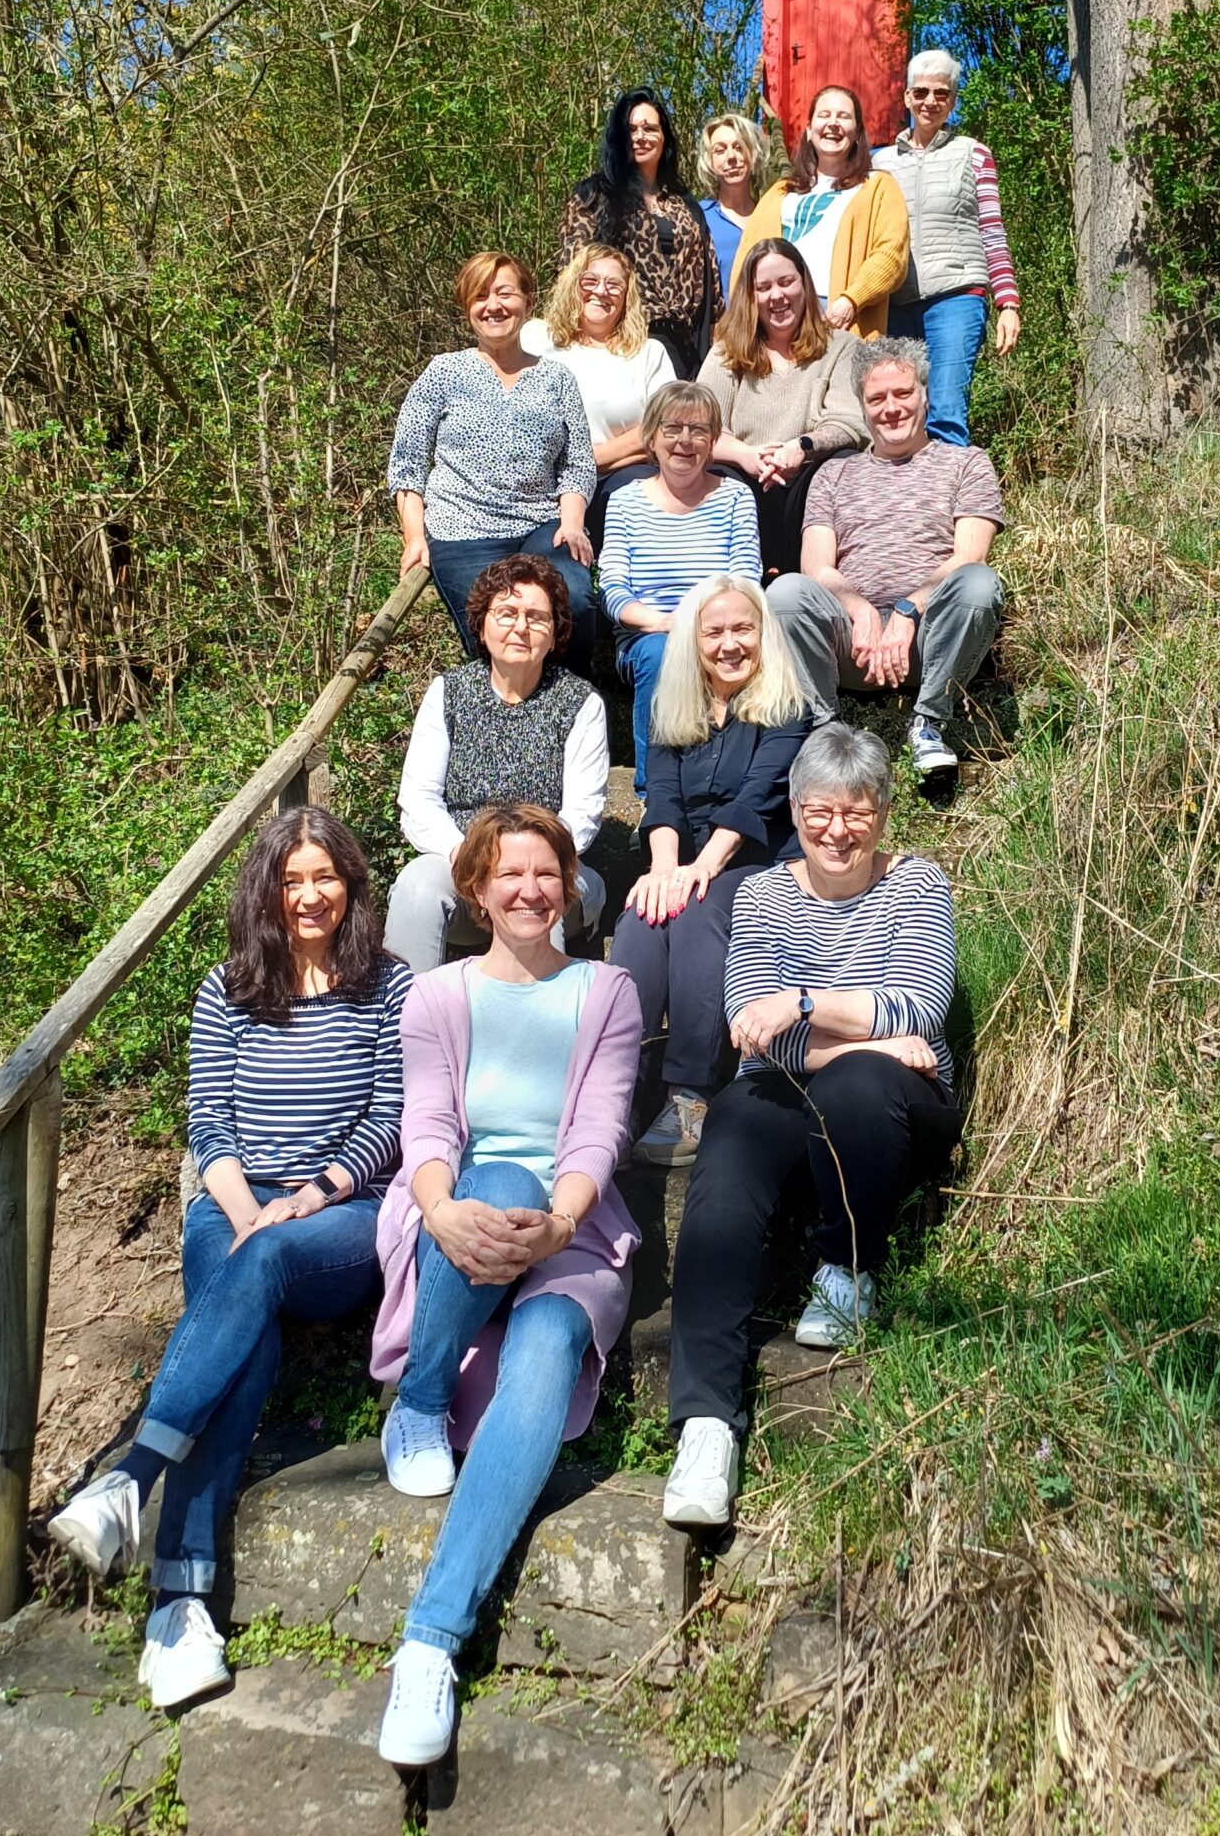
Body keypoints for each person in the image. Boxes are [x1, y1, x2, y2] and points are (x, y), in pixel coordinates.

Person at [48, 809, 407, 1709]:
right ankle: (180, 1614)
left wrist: (308, 1197)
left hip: (340, 1217)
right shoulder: (229, 987)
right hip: (234, 1209)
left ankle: (130, 1483)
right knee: (244, 1335)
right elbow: (208, 1120)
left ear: (351, 885)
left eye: (325, 877)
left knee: (264, 1265)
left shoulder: (389, 984)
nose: (310, 895)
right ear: (267, 893)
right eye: (292, 881)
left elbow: (392, 1117)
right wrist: (247, 1211)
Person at [369, 804, 641, 1765]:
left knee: (547, 1348)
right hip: (456, 1214)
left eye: (547, 873)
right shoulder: (437, 996)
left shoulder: (607, 990)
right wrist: (441, 1210)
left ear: (570, 887)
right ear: (476, 892)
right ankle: (422, 1400)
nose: (530, 890)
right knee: (498, 1184)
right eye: (509, 874)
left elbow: (600, 1129)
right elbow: (428, 1128)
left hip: (571, 1226)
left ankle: (430, 1642)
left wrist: (558, 1225)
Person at [660, 727, 961, 1530]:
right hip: (785, 1091)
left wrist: (804, 1005)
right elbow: (749, 1028)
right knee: (725, 1159)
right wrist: (875, 1038)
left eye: (857, 812)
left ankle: (845, 1270)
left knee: (858, 1085)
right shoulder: (763, 894)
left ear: (884, 814)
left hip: (895, 1110)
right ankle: (705, 1425)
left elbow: (918, 1007)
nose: (837, 829)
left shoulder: (917, 883)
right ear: (795, 811)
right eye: (820, 811)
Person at [611, 576, 813, 1166]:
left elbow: (756, 799)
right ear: (694, 641)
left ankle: (689, 1093)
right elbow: (663, 797)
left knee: (699, 910)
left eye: (743, 629)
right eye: (714, 632)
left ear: (763, 634)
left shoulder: (787, 706)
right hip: (688, 857)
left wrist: (698, 869)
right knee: (641, 918)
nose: (729, 644)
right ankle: (616, 1091)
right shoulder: (674, 705)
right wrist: (663, 870)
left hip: (759, 861)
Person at [767, 337, 1005, 783]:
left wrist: (907, 610)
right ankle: (825, 727)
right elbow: (815, 567)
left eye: (903, 393)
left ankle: (929, 722)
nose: (891, 408)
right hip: (850, 643)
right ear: (862, 406)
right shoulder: (833, 474)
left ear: (925, 396)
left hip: (930, 641)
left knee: (979, 583)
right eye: (877, 398)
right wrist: (860, 611)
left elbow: (969, 556)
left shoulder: (967, 464)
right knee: (785, 593)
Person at [386, 557, 609, 972]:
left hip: (552, 864)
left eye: (537, 617)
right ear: (482, 625)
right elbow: (419, 799)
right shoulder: (448, 693)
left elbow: (583, 813)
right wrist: (468, 856)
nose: (521, 627)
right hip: (462, 866)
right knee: (417, 887)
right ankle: (407, 1010)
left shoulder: (581, 703)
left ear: (555, 633)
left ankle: (542, 1009)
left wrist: (524, 866)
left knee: (537, 891)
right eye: (507, 613)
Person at [388, 252, 596, 675]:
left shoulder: (557, 379)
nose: (493, 306)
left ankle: (573, 706)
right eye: (480, 296)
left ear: (528, 301)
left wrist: (572, 523)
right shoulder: (444, 373)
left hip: (542, 525)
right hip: (463, 531)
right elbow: (407, 463)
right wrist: (414, 537)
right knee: (495, 629)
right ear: (467, 307)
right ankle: (508, 711)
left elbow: (577, 463)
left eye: (504, 293)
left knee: (573, 603)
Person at [599, 382, 760, 794]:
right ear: (651, 437)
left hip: (721, 630)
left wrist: (701, 627)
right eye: (672, 428)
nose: (684, 441)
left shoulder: (736, 498)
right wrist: (660, 622)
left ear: (712, 442)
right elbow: (612, 587)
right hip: (647, 635)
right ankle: (654, 794)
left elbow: (745, 579)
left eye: (698, 430)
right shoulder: (624, 501)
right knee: (661, 652)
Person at [874, 47, 1023, 447]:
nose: (930, 101)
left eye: (941, 93)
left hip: (956, 296)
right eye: (921, 92)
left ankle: (952, 487)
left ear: (953, 100)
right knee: (896, 414)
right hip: (895, 303)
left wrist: (1008, 303)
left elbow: (992, 230)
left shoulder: (973, 154)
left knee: (945, 410)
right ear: (907, 97)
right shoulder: (879, 164)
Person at [698, 237, 867, 577]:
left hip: (809, 480)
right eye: (764, 288)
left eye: (786, 282)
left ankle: (827, 578)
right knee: (713, 475)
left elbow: (849, 424)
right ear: (751, 296)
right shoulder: (727, 353)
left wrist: (801, 448)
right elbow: (701, 426)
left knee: (845, 464)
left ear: (804, 283)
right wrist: (747, 455)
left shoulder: (842, 347)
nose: (777, 295)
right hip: (744, 479)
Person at [521, 244, 676, 551]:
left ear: (627, 296)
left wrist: (591, 459)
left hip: (619, 479)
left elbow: (665, 426)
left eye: (614, 284)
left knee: (644, 494)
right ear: (573, 284)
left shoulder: (648, 353)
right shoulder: (537, 339)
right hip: (544, 481)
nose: (601, 291)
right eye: (590, 280)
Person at [559, 88, 722, 378]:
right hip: (622, 343)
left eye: (649, 128)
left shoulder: (685, 204)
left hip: (684, 348)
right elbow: (573, 274)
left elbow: (710, 283)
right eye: (631, 129)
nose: (640, 137)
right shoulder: (594, 197)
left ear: (664, 136)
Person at [732, 86, 908, 339]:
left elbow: (892, 254)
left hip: (839, 318)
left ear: (858, 133)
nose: (833, 123)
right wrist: (742, 318)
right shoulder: (780, 192)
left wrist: (851, 300)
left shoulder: (878, 187)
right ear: (808, 129)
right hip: (777, 315)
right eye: (824, 115)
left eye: (843, 116)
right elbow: (746, 257)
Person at [694, 111, 767, 301]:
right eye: (720, 150)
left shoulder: (771, 215)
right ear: (710, 161)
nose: (731, 157)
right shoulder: (697, 218)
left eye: (739, 147)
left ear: (752, 153)